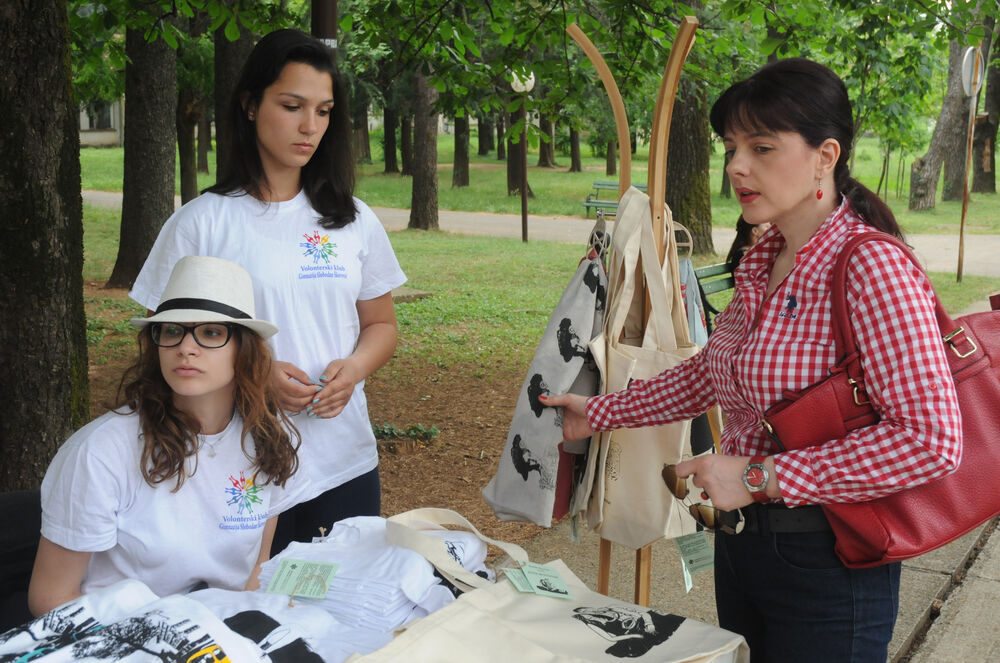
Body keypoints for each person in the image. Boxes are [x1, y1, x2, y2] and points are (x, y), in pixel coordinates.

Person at [542, 58, 961, 662]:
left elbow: (931, 441)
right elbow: (712, 373)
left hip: (832, 559)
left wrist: (760, 478)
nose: (737, 166)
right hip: (744, 547)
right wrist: (600, 411)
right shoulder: (765, 259)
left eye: (762, 147)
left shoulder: (871, 266)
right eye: (731, 147)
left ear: (825, 156)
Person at [129, 29, 406, 554]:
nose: (310, 127)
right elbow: (164, 345)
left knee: (340, 596)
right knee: (251, 600)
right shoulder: (201, 224)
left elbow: (381, 325)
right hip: (238, 466)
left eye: (323, 111)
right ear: (251, 105)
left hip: (343, 461)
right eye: (292, 106)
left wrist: (354, 369)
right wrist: (253, 376)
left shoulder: (353, 220)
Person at [28, 256, 302, 616]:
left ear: (244, 349)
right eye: (172, 331)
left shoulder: (265, 439)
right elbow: (50, 598)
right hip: (120, 635)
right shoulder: (101, 451)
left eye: (210, 332)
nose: (185, 347)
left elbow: (253, 572)